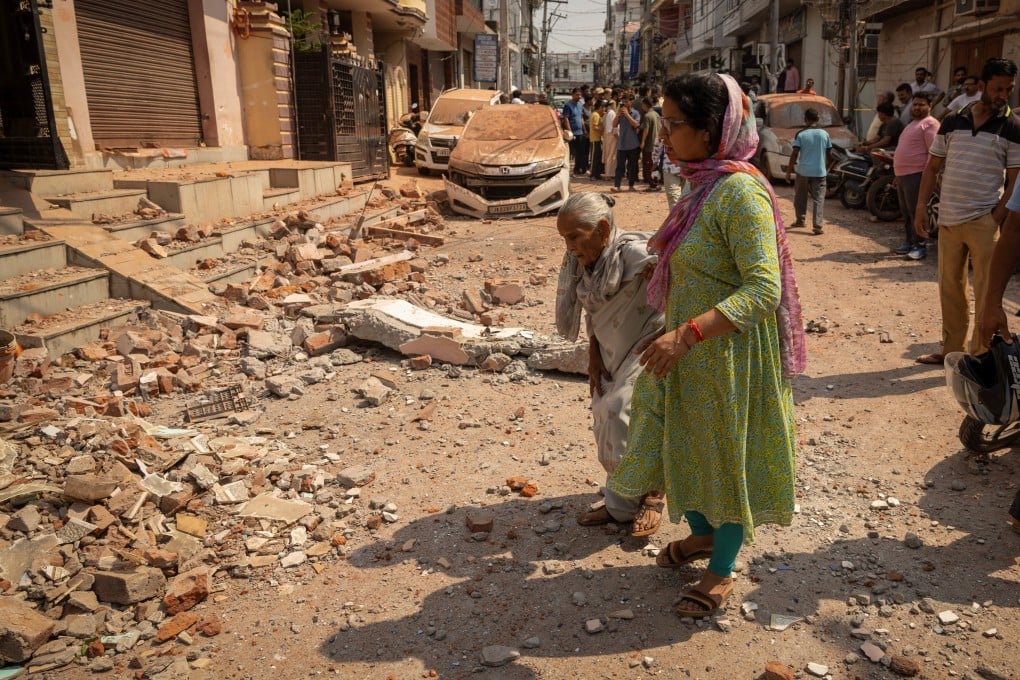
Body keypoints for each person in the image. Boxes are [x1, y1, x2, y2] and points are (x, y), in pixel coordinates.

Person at [608, 72, 805, 619]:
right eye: (664, 123)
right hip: (687, 351)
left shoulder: (739, 192)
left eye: (674, 125)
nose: (664, 136)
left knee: (724, 455)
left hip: (726, 357)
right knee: (683, 447)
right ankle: (701, 536)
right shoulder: (703, 184)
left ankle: (721, 568)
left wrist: (689, 331)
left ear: (712, 129)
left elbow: (763, 288)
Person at [555, 192, 667, 537]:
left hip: (644, 346)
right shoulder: (582, 263)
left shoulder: (635, 254)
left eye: (574, 236)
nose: (569, 246)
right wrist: (592, 351)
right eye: (564, 238)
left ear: (603, 229)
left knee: (626, 413)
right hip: (607, 350)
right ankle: (620, 503)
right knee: (604, 414)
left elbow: (673, 284)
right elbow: (593, 312)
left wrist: (671, 338)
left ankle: (653, 494)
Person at [914, 57, 1020, 365]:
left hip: (984, 221)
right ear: (982, 87)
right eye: (998, 88)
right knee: (950, 289)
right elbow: (932, 167)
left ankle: (980, 355)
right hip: (948, 219)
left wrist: (997, 217)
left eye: (1009, 89)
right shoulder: (952, 121)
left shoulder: (1012, 127)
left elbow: (1014, 179)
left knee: (987, 291)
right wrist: (921, 207)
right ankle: (951, 351)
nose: (1004, 95)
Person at [891, 91, 939, 260]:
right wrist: (897, 175)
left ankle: (921, 245)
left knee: (917, 211)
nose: (917, 107)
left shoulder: (930, 124)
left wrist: (926, 176)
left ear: (930, 106)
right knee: (906, 212)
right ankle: (909, 242)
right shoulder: (913, 124)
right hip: (904, 175)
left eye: (921, 104)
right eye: (915, 104)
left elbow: (933, 153)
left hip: (917, 175)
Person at [785, 107, 832, 235]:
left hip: (803, 171)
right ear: (817, 119)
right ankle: (817, 225)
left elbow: (795, 153)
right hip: (820, 172)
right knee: (819, 198)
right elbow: (830, 154)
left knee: (800, 196)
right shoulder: (825, 134)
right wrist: (827, 167)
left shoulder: (801, 134)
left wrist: (789, 171)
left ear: (805, 120)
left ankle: (800, 220)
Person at [612, 93, 641, 193]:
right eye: (623, 101)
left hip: (633, 144)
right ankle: (617, 186)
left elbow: (636, 124)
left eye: (626, 101)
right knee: (619, 167)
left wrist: (627, 115)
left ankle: (631, 186)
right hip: (622, 144)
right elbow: (614, 125)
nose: (624, 103)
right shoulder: (620, 113)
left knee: (632, 166)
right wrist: (617, 115)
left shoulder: (635, 113)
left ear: (631, 102)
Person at [562, 88, 587, 176]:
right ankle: (568, 171)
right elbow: (566, 119)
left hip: (580, 132)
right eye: (577, 94)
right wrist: (570, 132)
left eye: (580, 95)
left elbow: (581, 118)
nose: (579, 96)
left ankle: (577, 170)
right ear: (572, 95)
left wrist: (584, 130)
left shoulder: (580, 105)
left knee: (580, 152)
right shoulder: (568, 105)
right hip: (572, 133)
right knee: (571, 153)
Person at [639, 97, 661, 191]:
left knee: (648, 165)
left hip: (649, 145)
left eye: (643, 105)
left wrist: (642, 142)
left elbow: (646, 130)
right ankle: (655, 183)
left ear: (645, 105)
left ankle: (652, 185)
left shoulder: (647, 116)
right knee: (655, 165)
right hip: (657, 144)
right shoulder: (656, 114)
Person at [602, 100, 619, 180]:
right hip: (611, 136)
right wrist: (617, 136)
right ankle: (608, 174)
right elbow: (613, 127)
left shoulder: (607, 113)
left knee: (609, 154)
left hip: (607, 135)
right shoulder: (612, 113)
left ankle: (609, 173)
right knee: (611, 155)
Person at [589, 100, 605, 180]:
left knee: (598, 157)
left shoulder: (597, 115)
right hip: (595, 139)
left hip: (597, 139)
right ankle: (592, 174)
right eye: (603, 108)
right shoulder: (595, 115)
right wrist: (602, 128)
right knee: (594, 158)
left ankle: (597, 174)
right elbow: (595, 127)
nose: (603, 109)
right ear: (600, 107)